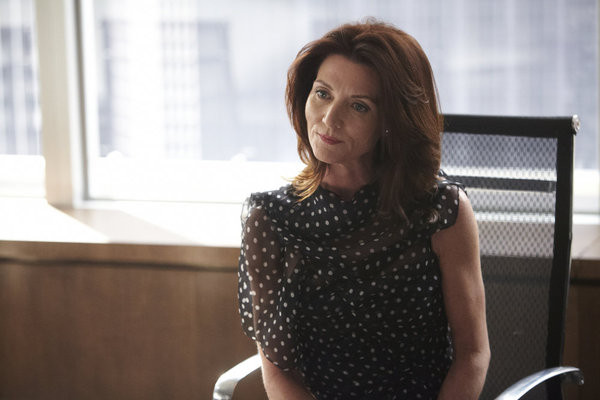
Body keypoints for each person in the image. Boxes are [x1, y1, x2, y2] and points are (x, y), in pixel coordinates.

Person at [238, 19, 490, 399]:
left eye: (358, 106)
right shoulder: (270, 219)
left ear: (392, 121)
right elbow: (278, 371)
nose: (329, 119)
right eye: (322, 94)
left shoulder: (440, 210)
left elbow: (472, 355)